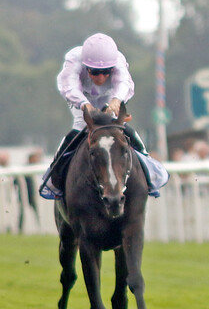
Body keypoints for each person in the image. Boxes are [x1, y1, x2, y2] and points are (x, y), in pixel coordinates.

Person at [42, 33, 150, 198]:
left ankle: (147, 168)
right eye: (94, 72)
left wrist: (116, 100)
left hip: (109, 98)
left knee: (122, 129)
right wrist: (85, 104)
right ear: (86, 67)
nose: (101, 77)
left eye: (106, 72)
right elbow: (69, 86)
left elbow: (123, 84)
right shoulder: (74, 59)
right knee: (79, 127)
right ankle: (56, 173)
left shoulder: (118, 61)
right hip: (81, 98)